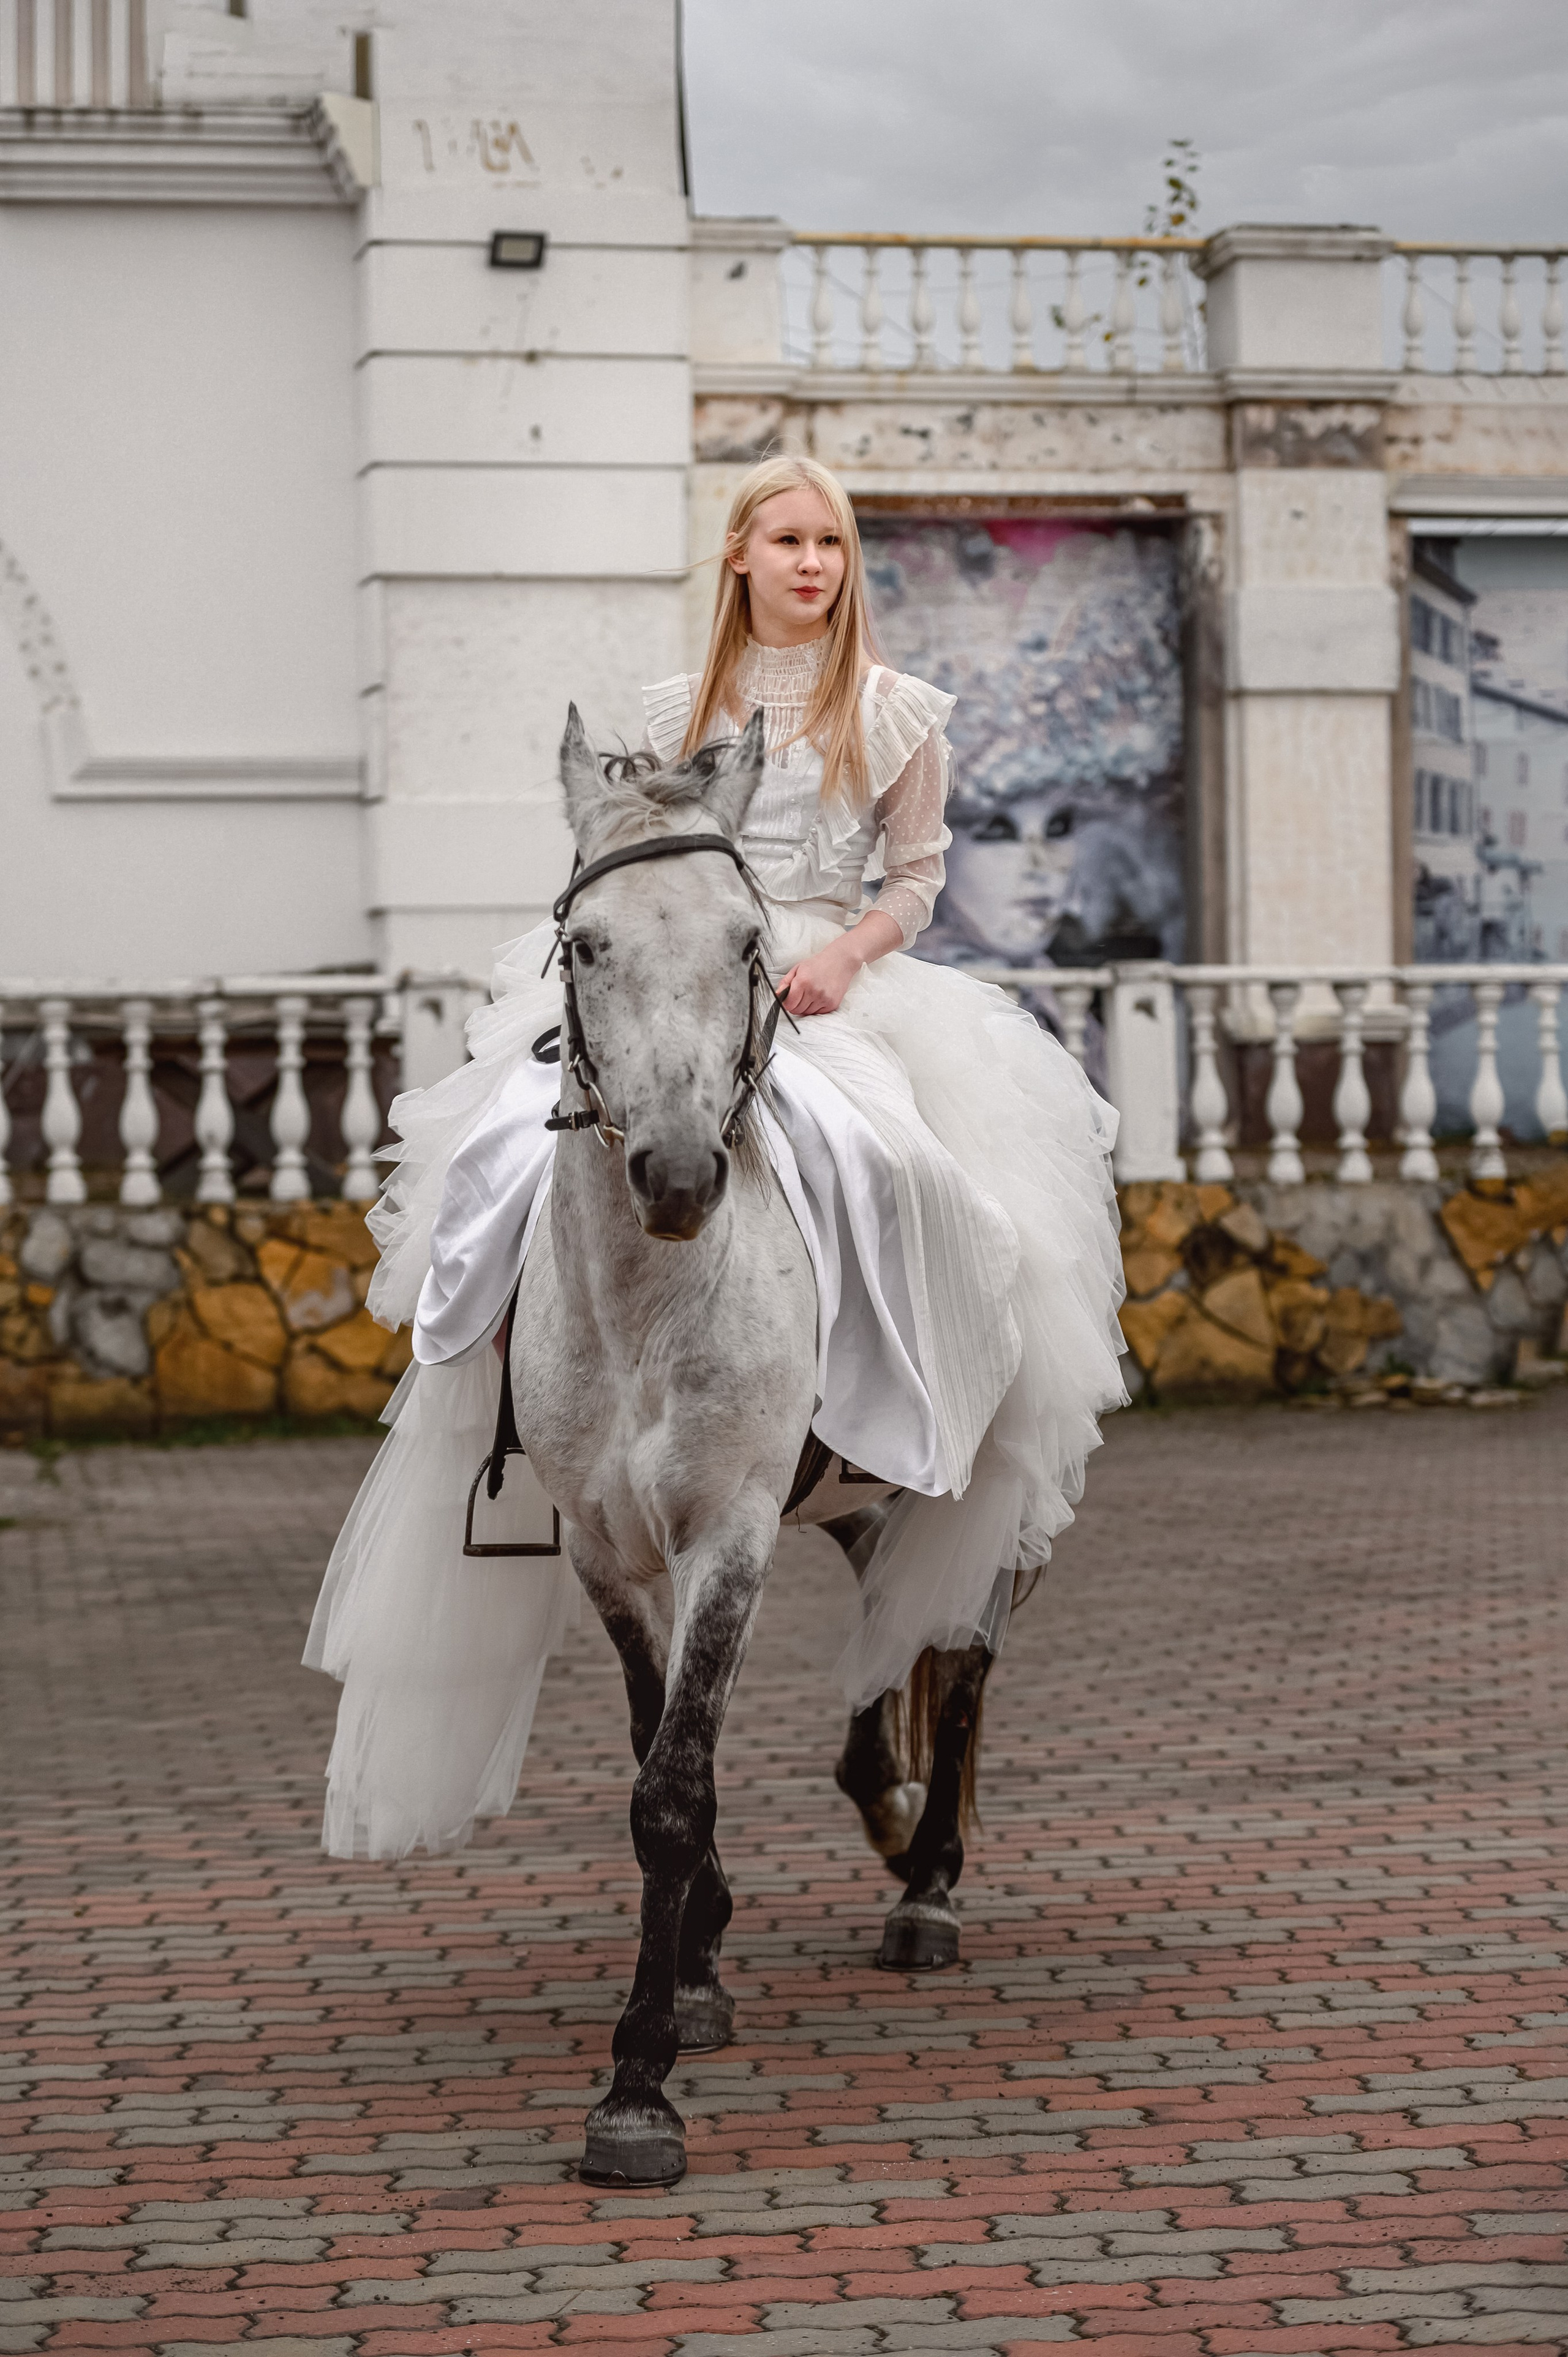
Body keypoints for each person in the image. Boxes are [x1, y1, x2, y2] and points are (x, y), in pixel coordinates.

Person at [304, 454, 1128, 1861]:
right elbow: (626, 862)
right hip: (678, 980)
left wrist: (840, 958)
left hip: (821, 981)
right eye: (786, 538)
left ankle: (925, 1411)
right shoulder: (660, 715)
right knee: (505, 1150)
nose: (812, 562)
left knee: (910, 1177)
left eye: (831, 541)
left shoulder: (894, 709)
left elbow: (917, 879)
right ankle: (510, 1413)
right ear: (738, 553)